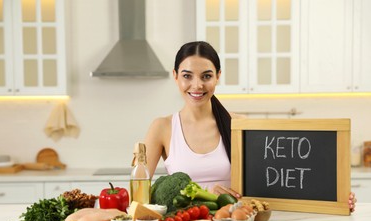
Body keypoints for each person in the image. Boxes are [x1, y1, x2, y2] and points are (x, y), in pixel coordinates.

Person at [144, 41, 357, 212]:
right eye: (187, 76)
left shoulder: (240, 125)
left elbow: (277, 181)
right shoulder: (162, 128)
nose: (197, 85)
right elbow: (140, 194)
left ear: (218, 76)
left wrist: (334, 197)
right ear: (175, 76)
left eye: (206, 76)